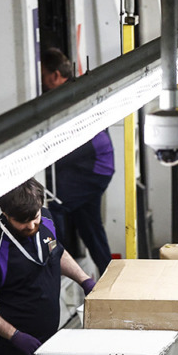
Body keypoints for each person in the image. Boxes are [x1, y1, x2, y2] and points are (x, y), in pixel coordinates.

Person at [0, 178, 96, 355]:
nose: (32, 225)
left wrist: (84, 280)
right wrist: (14, 335)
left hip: (48, 344)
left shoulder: (47, 221)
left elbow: (56, 253)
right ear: (6, 214)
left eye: (35, 217)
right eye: (22, 221)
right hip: (8, 354)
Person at [42, 47, 115, 276]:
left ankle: (57, 267)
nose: (42, 81)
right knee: (90, 227)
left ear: (55, 75)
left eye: (43, 75)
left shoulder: (67, 96)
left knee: (53, 203)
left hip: (92, 164)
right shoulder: (75, 89)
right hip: (99, 165)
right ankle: (109, 278)